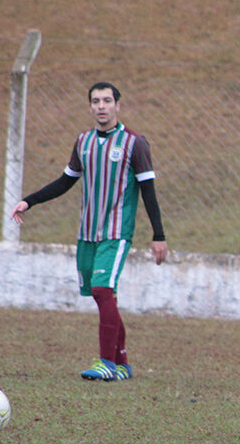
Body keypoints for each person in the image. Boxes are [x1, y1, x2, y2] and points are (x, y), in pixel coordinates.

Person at [10, 82, 168, 382]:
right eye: (95, 101)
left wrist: (158, 235)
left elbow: (149, 192)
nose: (101, 106)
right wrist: (28, 201)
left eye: (107, 100)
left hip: (116, 232)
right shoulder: (83, 142)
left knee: (102, 290)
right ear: (90, 106)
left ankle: (106, 362)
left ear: (118, 105)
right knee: (102, 296)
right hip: (87, 234)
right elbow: (65, 182)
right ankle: (122, 364)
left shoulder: (135, 143)